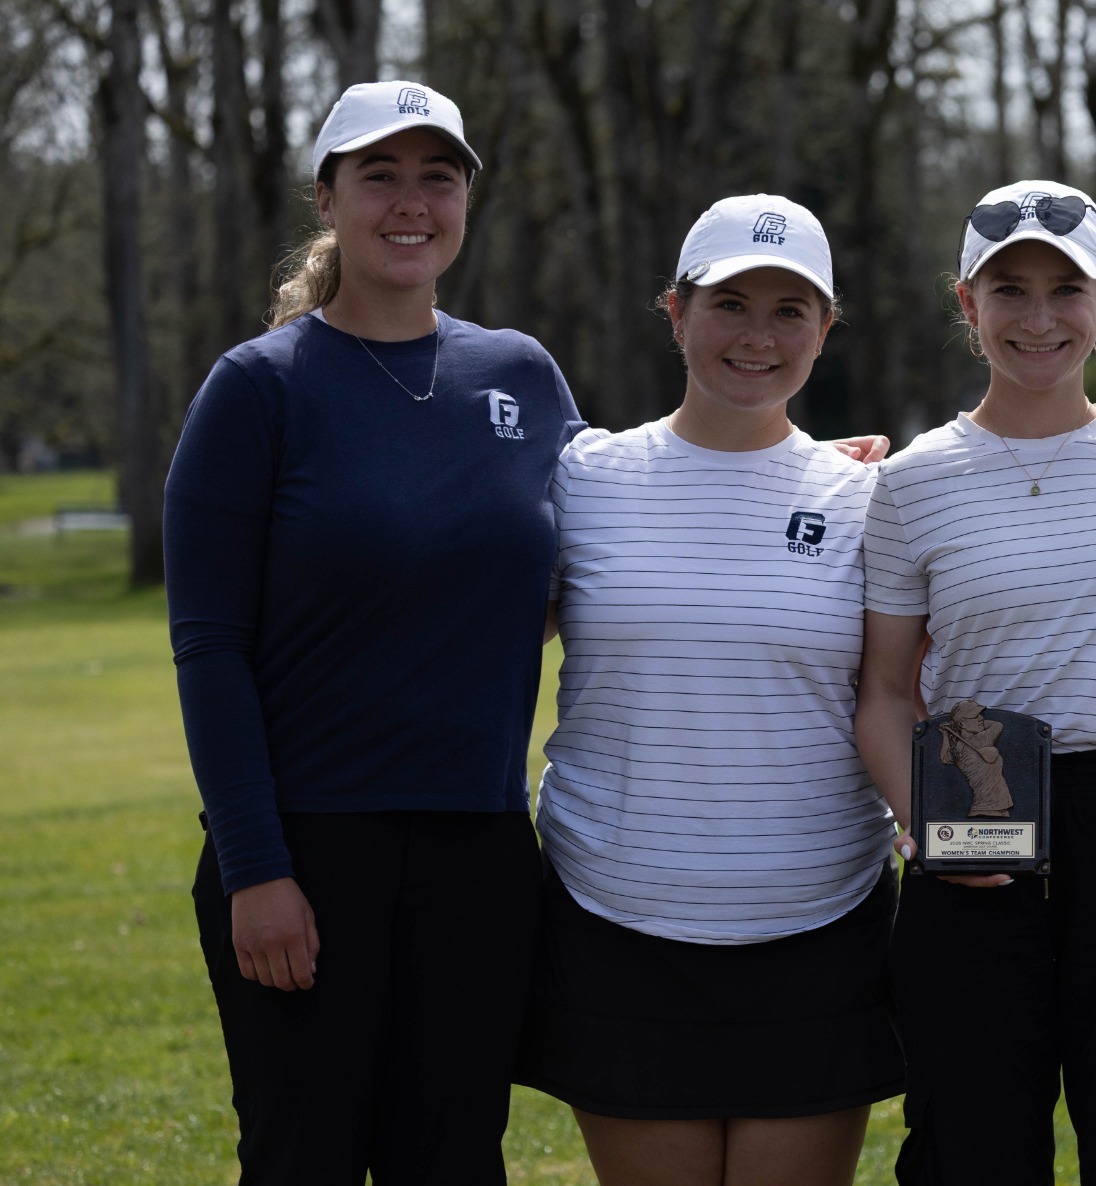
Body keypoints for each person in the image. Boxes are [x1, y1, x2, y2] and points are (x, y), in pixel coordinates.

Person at [166, 81, 584, 1183]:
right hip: (305, 853)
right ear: (327, 197)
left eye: (437, 178)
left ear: (464, 201)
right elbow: (208, 644)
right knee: (302, 1158)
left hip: (479, 855)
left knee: (453, 1161)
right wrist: (256, 866)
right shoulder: (258, 388)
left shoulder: (521, 374)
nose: (412, 203)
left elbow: (624, 543)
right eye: (380, 176)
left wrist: (799, 472)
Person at [854, 179, 1096, 1186]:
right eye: (1009, 290)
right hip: (973, 816)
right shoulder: (910, 481)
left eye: (1066, 290)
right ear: (966, 303)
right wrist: (925, 828)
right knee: (971, 1140)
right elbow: (886, 692)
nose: (1038, 318)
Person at [512, 194, 902, 1186]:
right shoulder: (582, 477)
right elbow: (467, 629)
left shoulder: (871, 498)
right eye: (729, 303)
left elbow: (927, 682)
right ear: (677, 311)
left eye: (788, 311)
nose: (756, 336)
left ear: (825, 329)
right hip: (615, 923)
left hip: (820, 928)